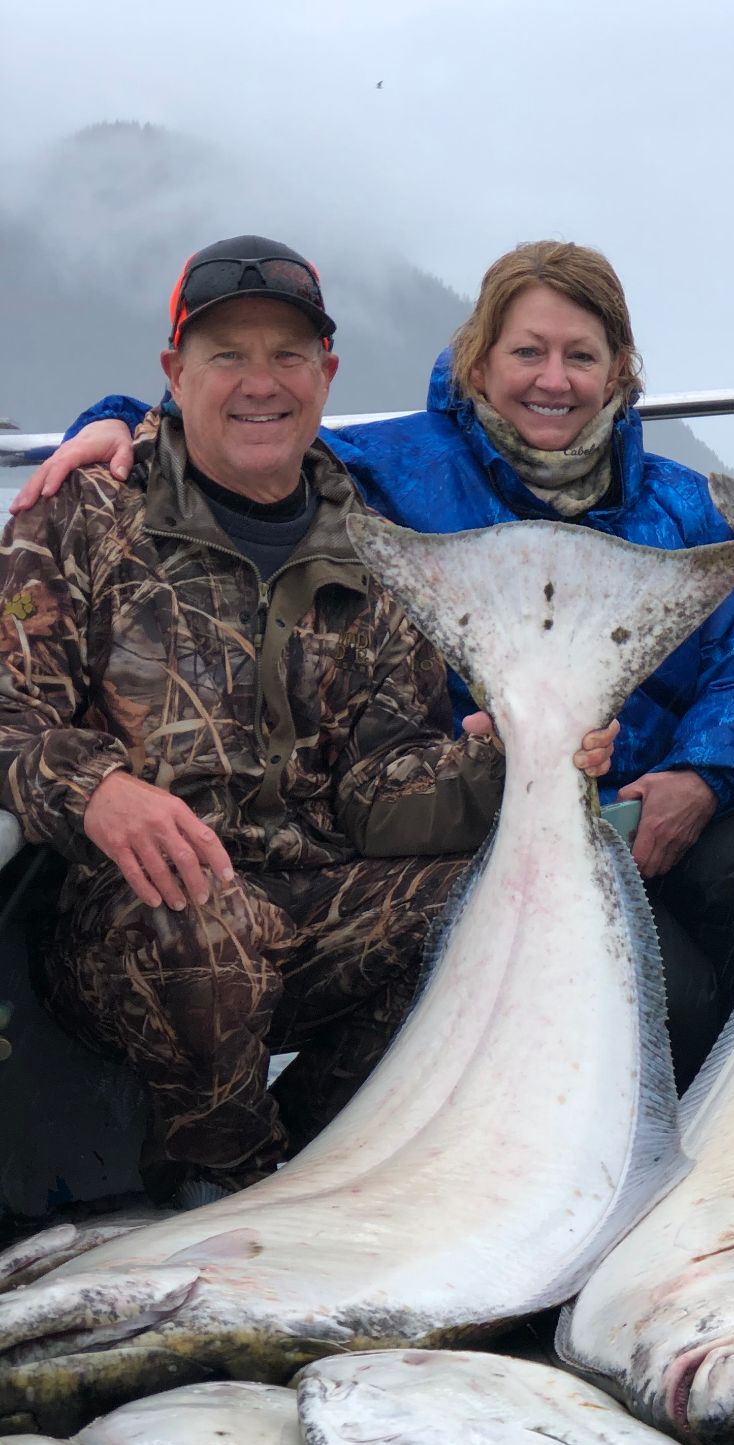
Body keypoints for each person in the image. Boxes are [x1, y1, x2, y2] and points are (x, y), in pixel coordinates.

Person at [26, 241, 734, 1088]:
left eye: (581, 356)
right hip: (492, 822)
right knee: (665, 998)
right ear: (478, 362)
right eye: (527, 352)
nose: (555, 379)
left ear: (620, 371)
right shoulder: (386, 472)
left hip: (647, 813)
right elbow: (243, 426)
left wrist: (699, 777)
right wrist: (110, 420)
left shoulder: (685, 504)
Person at [0, 235, 614, 1204]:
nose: (261, 383)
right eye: (228, 354)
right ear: (174, 372)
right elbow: (9, 714)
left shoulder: (377, 546)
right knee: (202, 914)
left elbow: (382, 787)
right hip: (129, 925)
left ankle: (334, 1170)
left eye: (288, 355)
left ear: (326, 373)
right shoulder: (78, 514)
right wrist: (100, 791)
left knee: (487, 901)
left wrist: (508, 760)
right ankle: (217, 1188)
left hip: (316, 899)